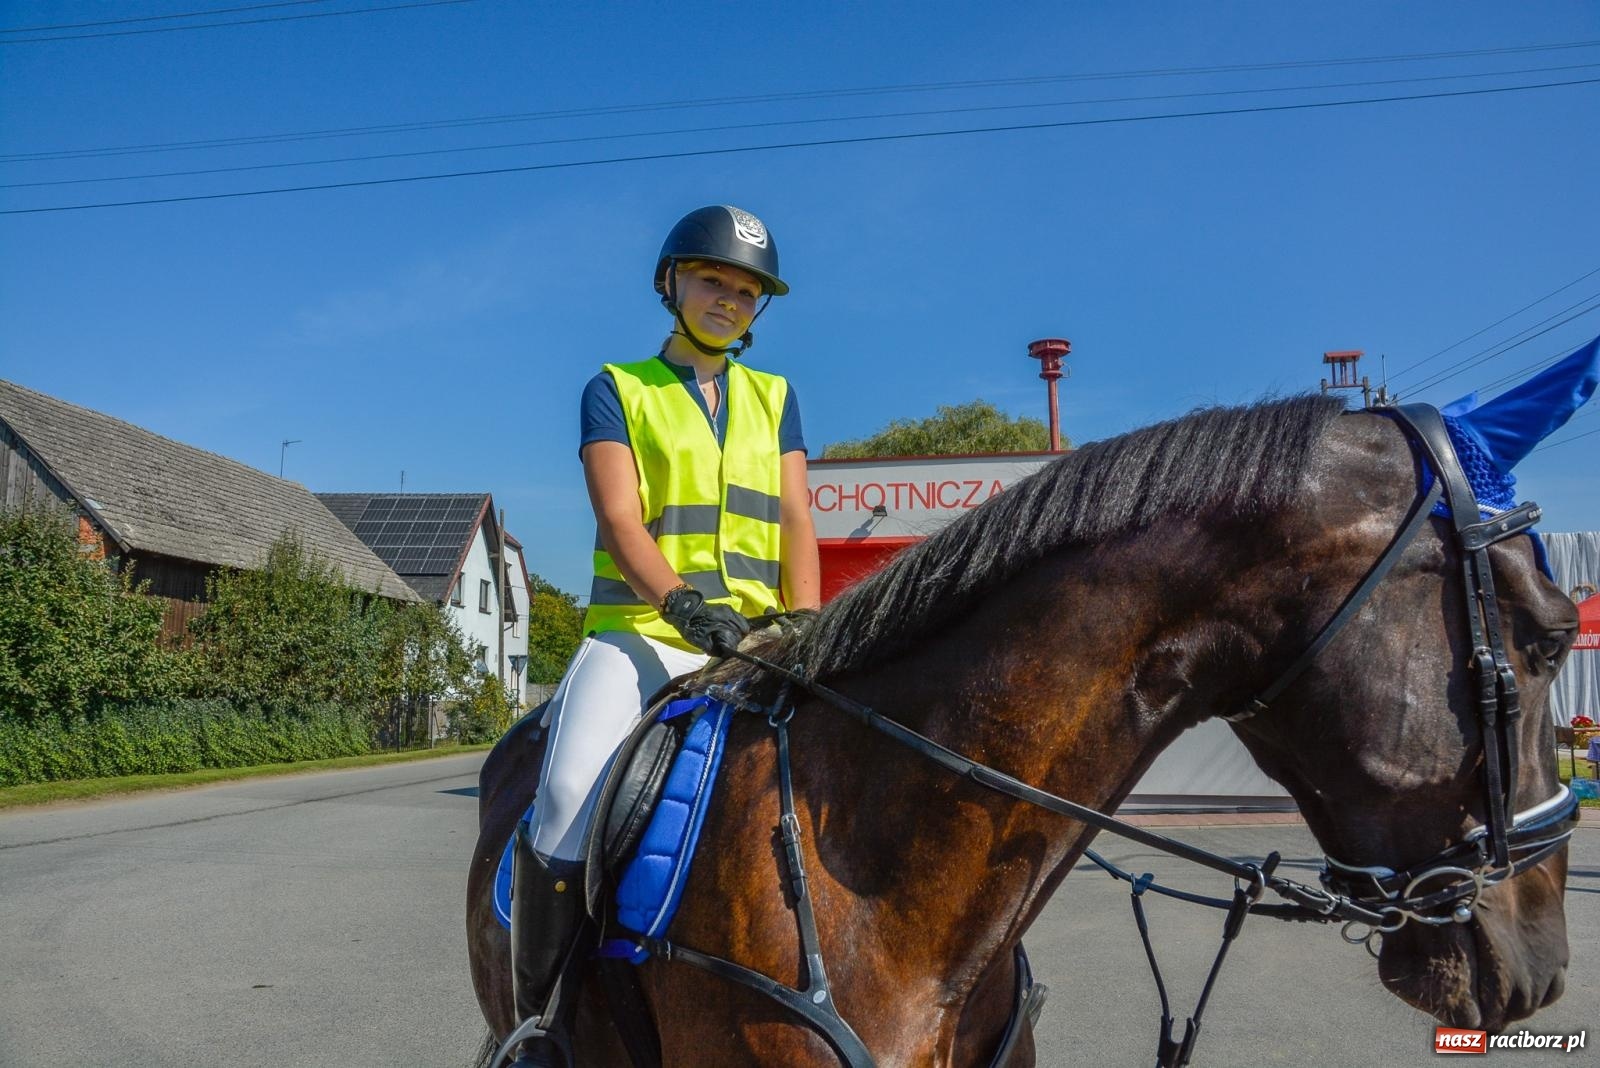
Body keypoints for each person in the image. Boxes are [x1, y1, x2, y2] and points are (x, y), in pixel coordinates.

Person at [506, 204, 820, 1067]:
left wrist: (807, 622)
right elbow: (618, 517)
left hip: (760, 639)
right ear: (671, 283)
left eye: (748, 291)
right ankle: (539, 1022)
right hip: (646, 630)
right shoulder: (618, 386)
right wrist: (681, 605)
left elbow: (797, 518)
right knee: (568, 796)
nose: (730, 299)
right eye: (715, 280)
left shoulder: (777, 397)